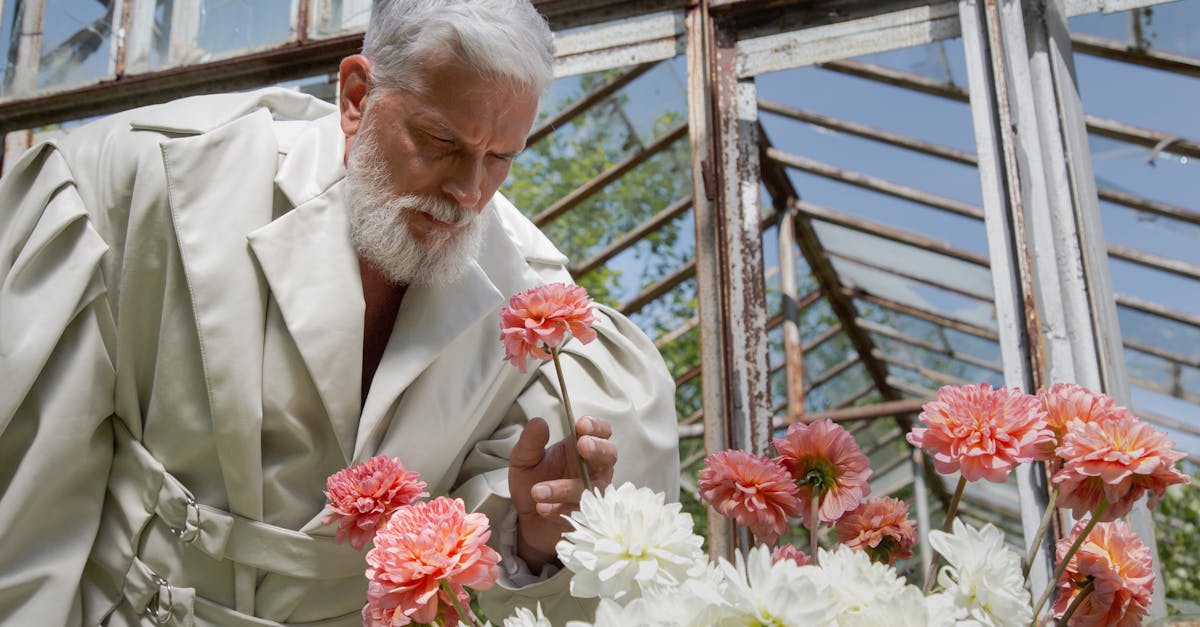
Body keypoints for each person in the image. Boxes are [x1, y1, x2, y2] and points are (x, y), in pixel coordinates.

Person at [0, 0, 679, 625]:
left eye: (499, 158)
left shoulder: (533, 299)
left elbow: (483, 584)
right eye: (442, 141)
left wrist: (534, 534)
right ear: (356, 95)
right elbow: (30, 505)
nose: (470, 193)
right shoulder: (152, 183)